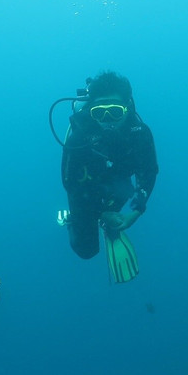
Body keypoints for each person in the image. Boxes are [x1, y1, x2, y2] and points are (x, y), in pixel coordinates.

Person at [59, 71, 158, 282]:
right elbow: (70, 184)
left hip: (118, 181)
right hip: (85, 187)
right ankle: (78, 218)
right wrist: (98, 213)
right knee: (85, 251)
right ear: (90, 111)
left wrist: (137, 209)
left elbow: (148, 171)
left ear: (127, 108)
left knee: (124, 191)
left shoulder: (139, 133)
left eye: (114, 112)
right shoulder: (79, 138)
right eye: (99, 113)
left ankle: (110, 216)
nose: (107, 121)